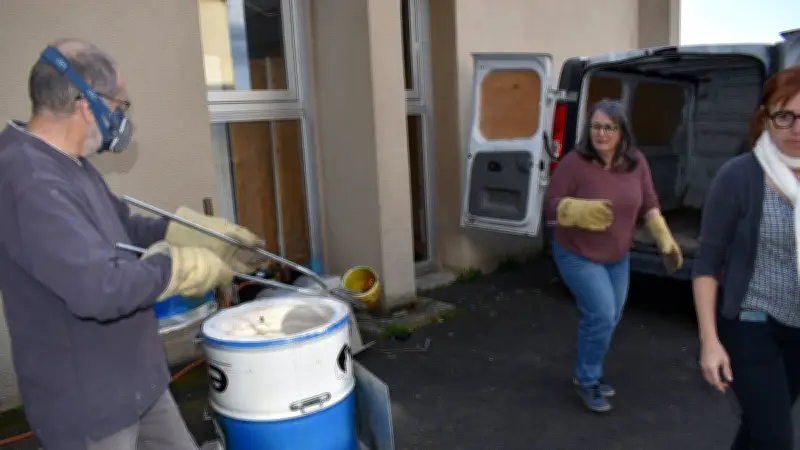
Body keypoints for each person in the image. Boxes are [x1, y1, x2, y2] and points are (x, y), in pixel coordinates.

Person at [0, 39, 265, 449]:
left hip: (138, 383)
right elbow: (100, 288)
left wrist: (193, 233)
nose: (121, 117)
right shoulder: (28, 180)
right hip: (91, 410)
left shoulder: (70, 163)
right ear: (86, 104)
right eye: (119, 104)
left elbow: (124, 230)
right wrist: (179, 268)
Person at [544, 99, 683, 413]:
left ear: (622, 131)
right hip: (577, 254)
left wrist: (663, 238)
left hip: (617, 256)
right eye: (596, 126)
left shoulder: (636, 162)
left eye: (609, 127)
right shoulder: (574, 163)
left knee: (609, 318)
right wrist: (577, 210)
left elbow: (649, 203)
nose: (601, 133)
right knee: (602, 314)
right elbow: (550, 204)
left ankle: (587, 371)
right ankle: (588, 379)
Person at [693, 67, 800, 450]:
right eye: (785, 115)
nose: (796, 128)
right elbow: (706, 264)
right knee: (776, 438)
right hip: (752, 323)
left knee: (759, 428)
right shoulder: (739, 176)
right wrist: (710, 342)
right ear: (765, 117)